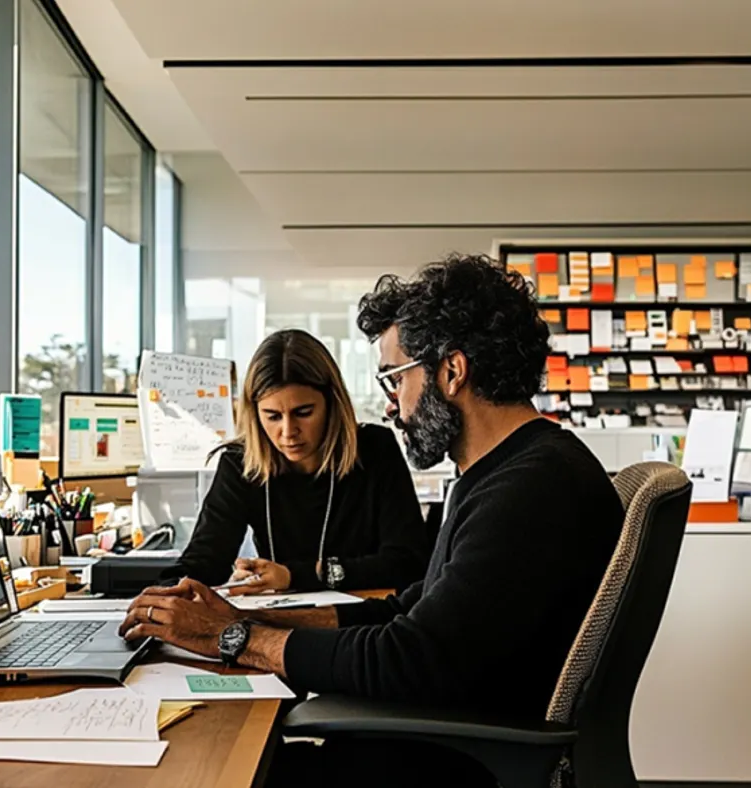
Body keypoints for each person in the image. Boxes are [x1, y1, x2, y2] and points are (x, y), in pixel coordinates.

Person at [121, 255, 626, 784]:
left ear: (451, 371)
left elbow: (407, 658)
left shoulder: (531, 488)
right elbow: (408, 610)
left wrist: (237, 638)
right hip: (444, 733)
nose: (392, 407)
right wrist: (247, 622)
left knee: (204, 769)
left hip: (456, 756)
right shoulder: (510, 472)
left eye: (396, 379)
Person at [164, 328, 429, 594]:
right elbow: (204, 561)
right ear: (255, 415)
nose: (288, 431)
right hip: (283, 620)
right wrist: (165, 592)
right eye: (273, 416)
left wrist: (294, 576)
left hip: (367, 622)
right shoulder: (239, 464)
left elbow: (408, 562)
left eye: (303, 413)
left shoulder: (375, 449)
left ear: (331, 404)